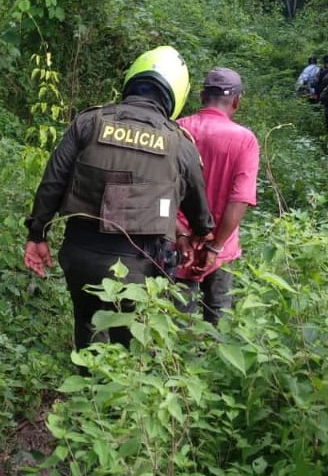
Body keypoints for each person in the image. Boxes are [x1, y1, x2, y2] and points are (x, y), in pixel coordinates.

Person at [23, 46, 215, 352]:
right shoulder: (179, 142)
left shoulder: (89, 122)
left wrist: (37, 233)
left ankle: (88, 388)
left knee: (87, 325)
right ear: (176, 95)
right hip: (139, 264)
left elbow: (53, 180)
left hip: (80, 254)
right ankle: (123, 394)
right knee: (131, 344)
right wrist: (202, 234)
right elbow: (197, 205)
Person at [174, 67, 260, 325]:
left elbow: (162, 191)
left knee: (172, 324)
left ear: (201, 96)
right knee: (218, 323)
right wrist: (215, 246)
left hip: (178, 244)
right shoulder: (245, 140)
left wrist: (182, 234)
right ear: (236, 101)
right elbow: (240, 199)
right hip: (222, 250)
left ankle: (172, 365)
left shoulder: (176, 130)